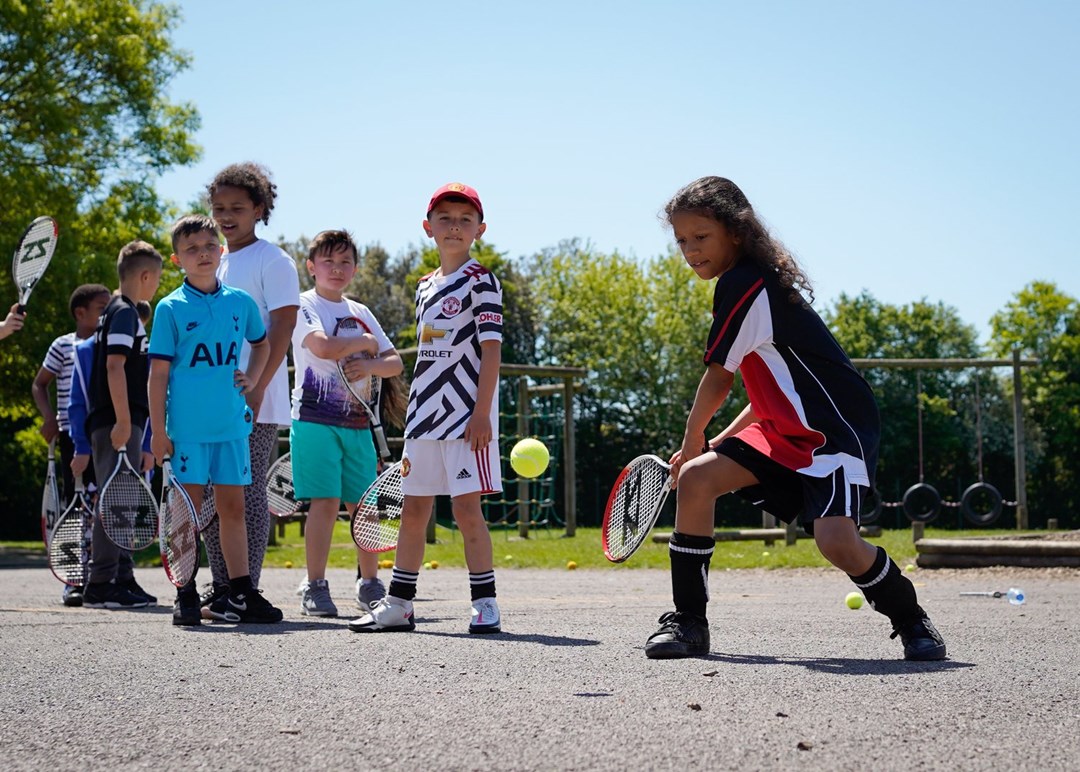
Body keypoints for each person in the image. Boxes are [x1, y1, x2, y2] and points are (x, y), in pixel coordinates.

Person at [643, 176, 946, 661]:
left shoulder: (746, 282)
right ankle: (689, 623)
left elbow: (719, 378)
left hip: (834, 431)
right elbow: (770, 394)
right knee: (698, 480)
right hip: (782, 430)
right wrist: (712, 444)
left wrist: (695, 435)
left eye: (701, 237)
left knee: (838, 543)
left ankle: (912, 620)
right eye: (681, 240)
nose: (689, 249)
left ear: (736, 233)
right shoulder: (744, 286)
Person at [350, 183, 504, 635]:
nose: (454, 226)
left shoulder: (482, 282)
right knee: (414, 512)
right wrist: (415, 414)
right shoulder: (423, 287)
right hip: (423, 418)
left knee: (466, 512)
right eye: (445, 218)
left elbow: (490, 353)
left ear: (480, 229)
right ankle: (399, 604)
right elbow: (427, 354)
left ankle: (485, 604)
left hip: (466, 419)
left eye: (464, 218)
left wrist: (481, 414)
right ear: (428, 227)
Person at [148, 214, 279, 626]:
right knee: (186, 513)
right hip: (187, 431)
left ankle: (241, 591)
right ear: (177, 259)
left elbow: (262, 344)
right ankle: (184, 592)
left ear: (221, 251)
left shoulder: (239, 302)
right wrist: (157, 430)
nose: (202, 254)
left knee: (233, 508)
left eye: (209, 246)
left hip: (231, 428)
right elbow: (158, 374)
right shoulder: (170, 308)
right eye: (191, 249)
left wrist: (254, 378)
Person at [199, 162, 300, 616]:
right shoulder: (211, 258)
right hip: (206, 401)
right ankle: (223, 587)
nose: (226, 215)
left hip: (254, 396)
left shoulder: (272, 260)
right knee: (210, 495)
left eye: (237, 207)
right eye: (219, 207)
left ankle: (245, 589)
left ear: (259, 208)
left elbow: (283, 324)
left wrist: (256, 384)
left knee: (245, 490)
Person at [289, 229, 405, 617]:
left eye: (345, 262)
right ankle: (316, 586)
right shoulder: (303, 305)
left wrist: (372, 361)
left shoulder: (362, 312)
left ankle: (369, 585)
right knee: (323, 503)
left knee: (364, 506)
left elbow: (395, 363)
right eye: (328, 261)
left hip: (358, 424)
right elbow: (322, 346)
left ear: (355, 269)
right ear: (311, 267)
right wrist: (366, 344)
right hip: (313, 420)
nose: (336, 269)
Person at [83, 243, 163, 610]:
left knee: (125, 501)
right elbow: (115, 367)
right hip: (117, 421)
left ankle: (123, 577)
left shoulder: (120, 311)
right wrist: (123, 421)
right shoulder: (124, 313)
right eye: (157, 279)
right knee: (115, 500)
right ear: (145, 276)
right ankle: (100, 584)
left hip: (126, 421)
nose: (157, 286)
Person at [31, 284, 110, 606]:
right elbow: (40, 384)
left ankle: (107, 575)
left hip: (103, 434)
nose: (107, 315)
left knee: (103, 504)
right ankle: (74, 580)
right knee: (75, 506)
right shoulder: (63, 345)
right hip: (71, 435)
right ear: (81, 313)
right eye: (101, 309)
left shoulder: (108, 345)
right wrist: (49, 417)